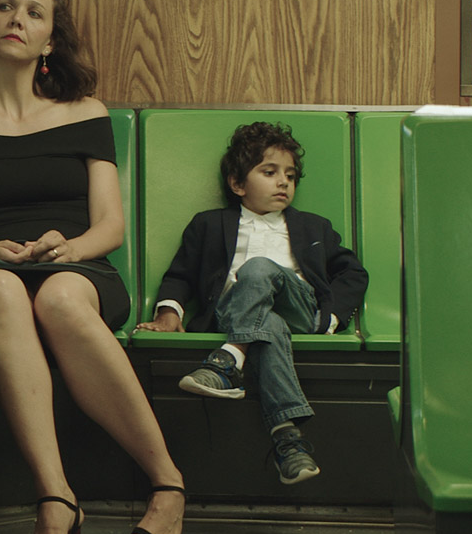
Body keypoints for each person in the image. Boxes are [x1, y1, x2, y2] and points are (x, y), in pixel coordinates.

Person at [0, 0, 185, 534]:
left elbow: (110, 225)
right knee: (4, 291)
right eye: (5, 7)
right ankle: (56, 500)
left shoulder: (84, 112)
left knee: (59, 298)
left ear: (51, 40)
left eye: (35, 12)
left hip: (77, 268)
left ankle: (167, 483)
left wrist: (73, 247)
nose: (18, 19)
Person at [136, 122, 368, 485]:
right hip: (237, 311)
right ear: (238, 184)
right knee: (269, 325)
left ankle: (229, 359)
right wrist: (168, 314)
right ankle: (287, 440)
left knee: (259, 269)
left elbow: (353, 273)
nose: (283, 183)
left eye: (290, 176)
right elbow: (180, 275)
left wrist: (331, 318)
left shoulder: (314, 227)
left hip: (298, 306)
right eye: (269, 172)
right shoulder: (209, 225)